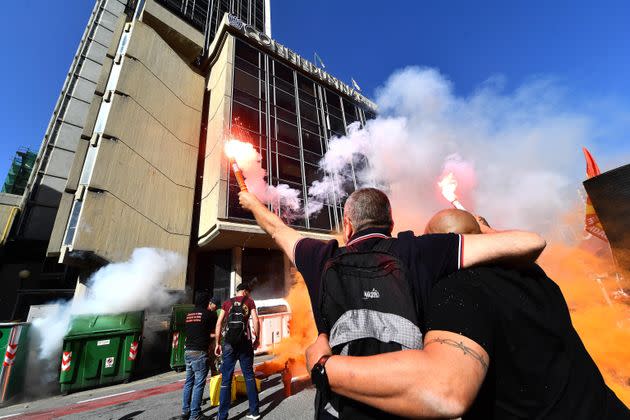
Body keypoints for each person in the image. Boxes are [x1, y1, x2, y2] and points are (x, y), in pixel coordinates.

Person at [238, 187, 546, 418]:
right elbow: (531, 242)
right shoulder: (422, 251)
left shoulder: (321, 257)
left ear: (347, 224)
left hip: (337, 411)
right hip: (410, 408)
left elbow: (277, 229)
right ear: (391, 223)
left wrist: (252, 202)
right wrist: (482, 229)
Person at [305, 209, 629, 419]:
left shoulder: (457, 289)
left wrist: (325, 367)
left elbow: (445, 391)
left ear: (441, 243)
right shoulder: (536, 277)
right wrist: (482, 227)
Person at [214, 283, 261, 420]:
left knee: (226, 379)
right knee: (249, 376)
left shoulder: (227, 303)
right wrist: (257, 338)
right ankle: (254, 412)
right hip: (245, 343)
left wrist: (218, 343)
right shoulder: (249, 302)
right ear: (245, 291)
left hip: (229, 344)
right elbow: (256, 321)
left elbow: (219, 323)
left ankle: (222, 416)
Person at [181, 291, 219, 420]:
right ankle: (195, 414)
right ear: (206, 302)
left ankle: (185, 411)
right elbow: (213, 333)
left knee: (189, 382)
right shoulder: (209, 315)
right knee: (199, 384)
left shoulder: (188, 315)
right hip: (199, 352)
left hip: (188, 351)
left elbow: (196, 331)